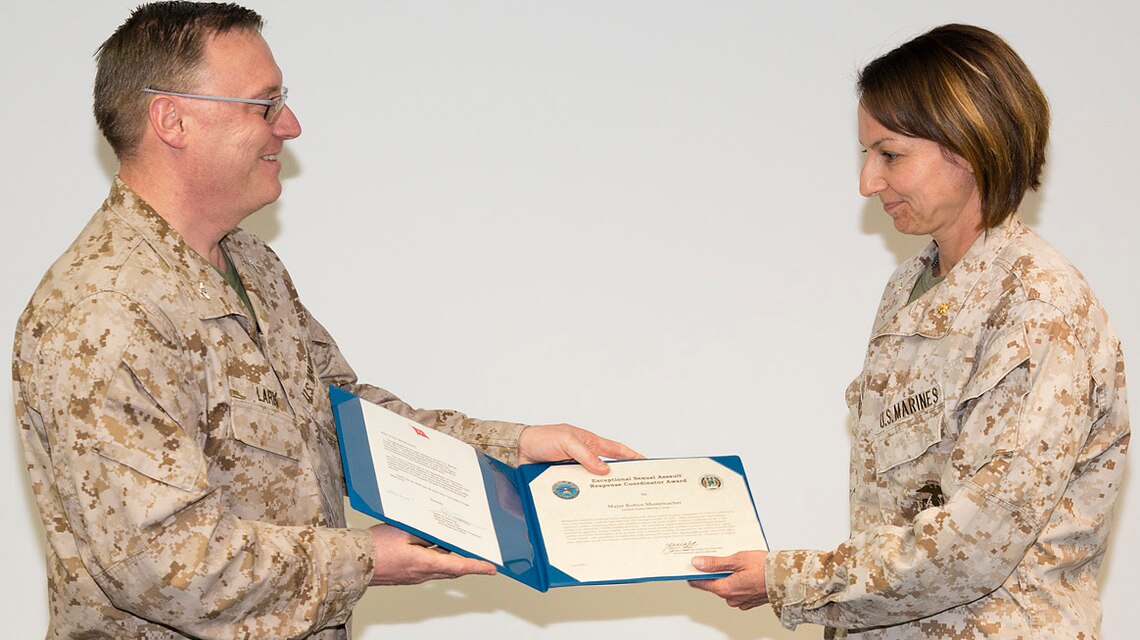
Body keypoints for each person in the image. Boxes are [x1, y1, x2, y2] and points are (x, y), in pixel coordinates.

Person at [11, 3, 638, 639]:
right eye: (265, 105)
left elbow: (345, 422)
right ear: (173, 120)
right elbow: (165, 566)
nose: (290, 125)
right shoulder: (105, 310)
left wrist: (516, 447)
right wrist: (368, 560)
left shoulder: (249, 262)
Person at [689, 23, 1129, 638]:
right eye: (866, 155)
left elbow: (976, 543)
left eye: (890, 155)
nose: (868, 182)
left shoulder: (1038, 305)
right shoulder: (910, 287)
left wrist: (786, 579)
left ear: (969, 144)